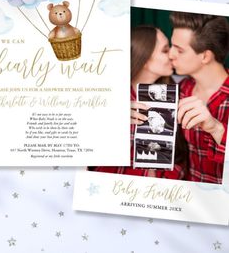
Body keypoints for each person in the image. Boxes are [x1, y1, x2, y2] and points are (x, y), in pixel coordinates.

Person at [89, 25, 188, 179]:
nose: (172, 55)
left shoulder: (173, 96)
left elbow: (179, 156)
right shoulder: (105, 97)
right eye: (165, 50)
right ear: (144, 58)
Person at [169, 12, 229, 184]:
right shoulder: (181, 89)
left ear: (205, 56)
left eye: (179, 50)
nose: (171, 54)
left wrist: (216, 128)